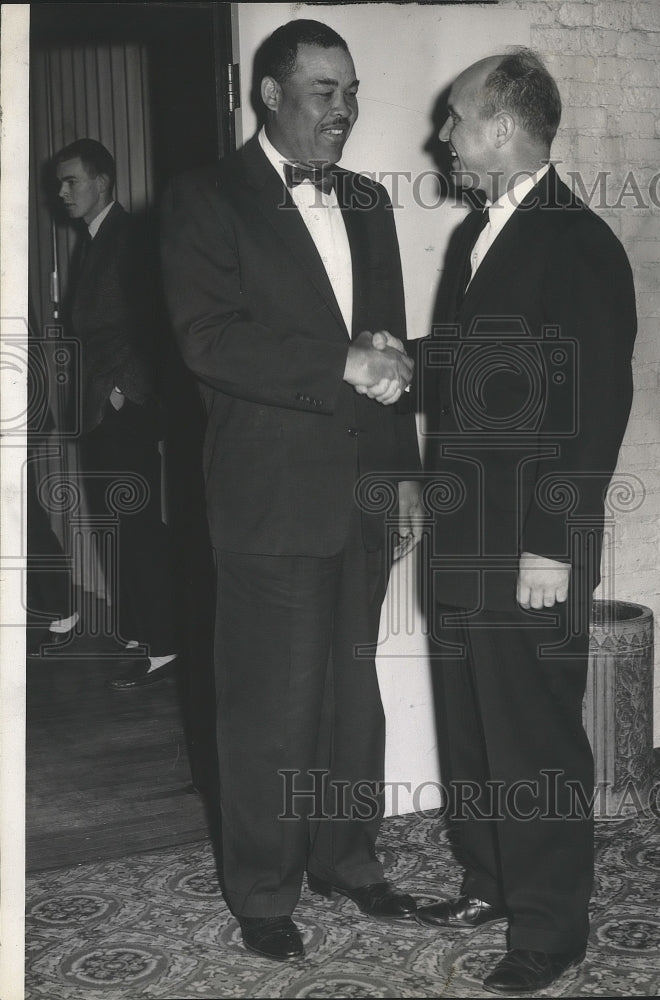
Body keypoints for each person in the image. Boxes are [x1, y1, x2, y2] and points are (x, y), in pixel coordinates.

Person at [372, 48, 637, 994]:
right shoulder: (483, 234)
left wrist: (550, 549)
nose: (441, 135)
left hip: (529, 547)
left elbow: (596, 406)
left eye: (454, 119)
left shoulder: (578, 243)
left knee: (534, 739)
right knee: (475, 724)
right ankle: (489, 882)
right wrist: (396, 355)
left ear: (501, 129)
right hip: (462, 535)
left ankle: (551, 928)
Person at [159, 19, 423, 962]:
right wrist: (345, 361)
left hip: (360, 495)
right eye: (323, 91)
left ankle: (348, 860)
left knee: (355, 696)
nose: (343, 110)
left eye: (351, 92)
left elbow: (385, 346)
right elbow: (211, 342)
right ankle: (264, 889)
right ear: (268, 94)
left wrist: (401, 477)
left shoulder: (362, 199)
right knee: (268, 705)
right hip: (268, 497)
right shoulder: (202, 200)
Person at [54, 138, 179, 688]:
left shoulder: (130, 237)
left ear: (103, 181)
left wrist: (124, 391)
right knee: (119, 525)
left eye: (71, 181)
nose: (62, 192)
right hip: (102, 408)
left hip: (121, 407)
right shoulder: (95, 240)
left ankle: (166, 644)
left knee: (138, 525)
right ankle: (138, 631)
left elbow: (151, 322)